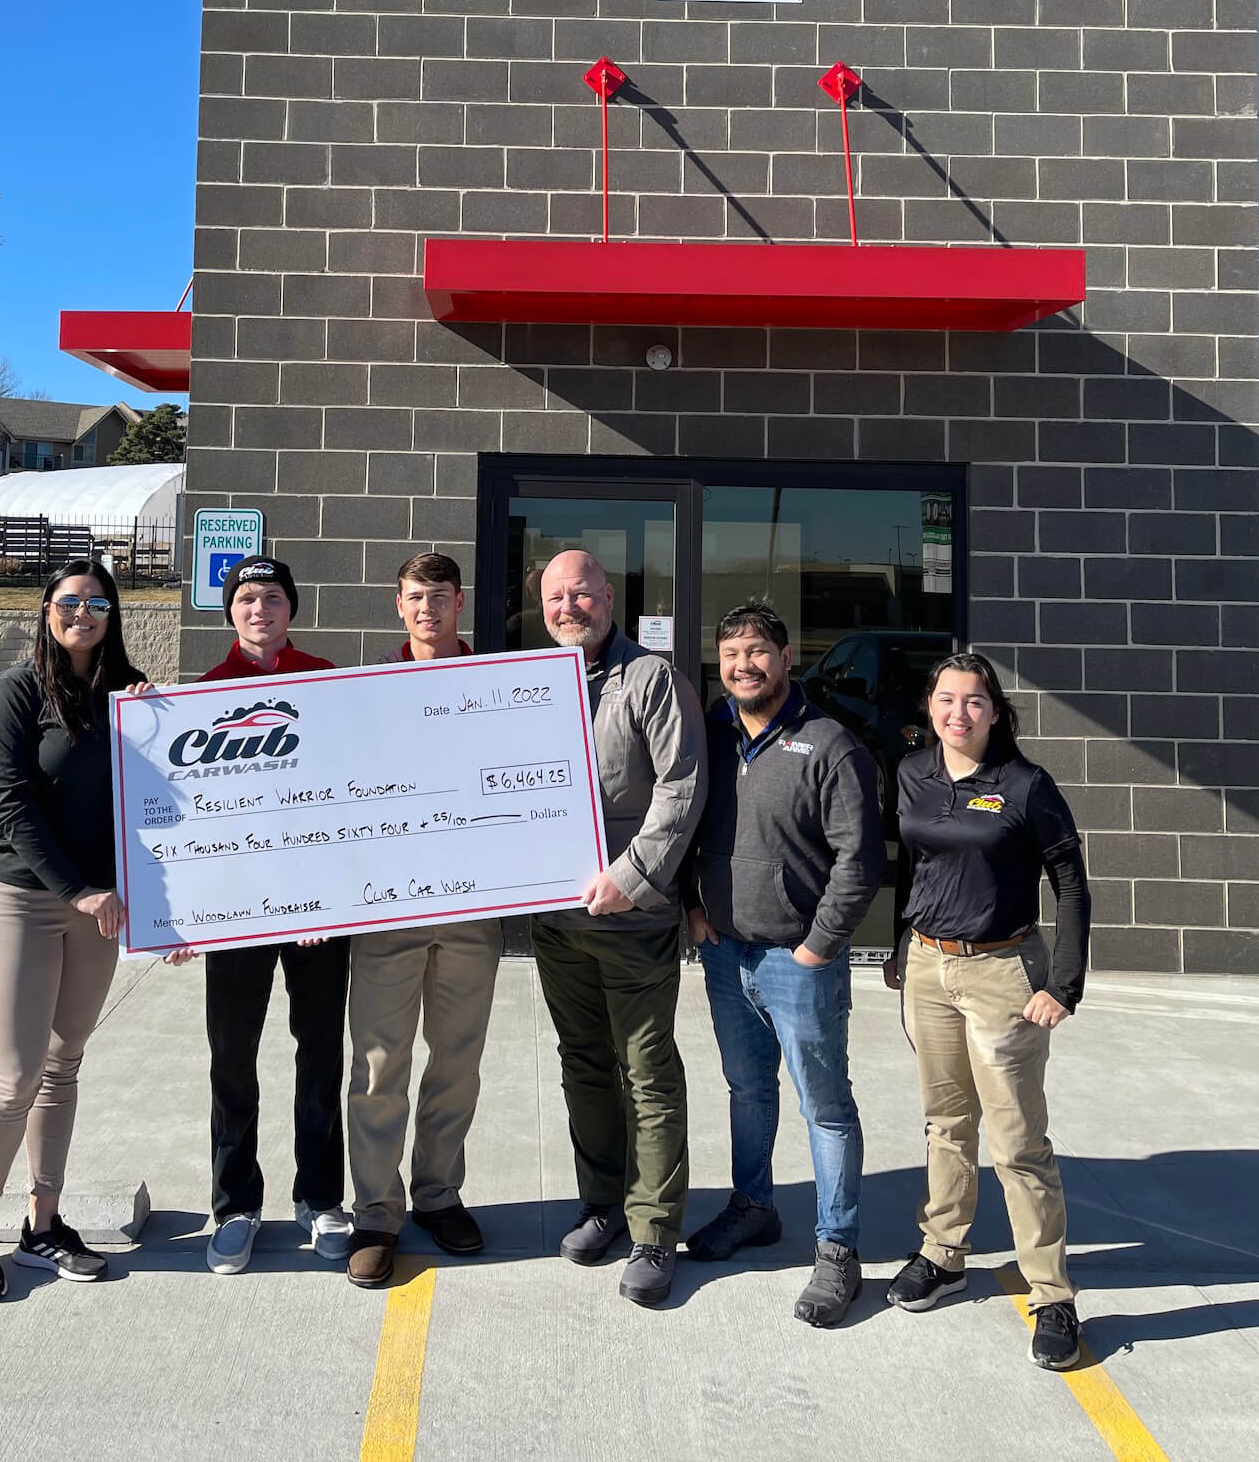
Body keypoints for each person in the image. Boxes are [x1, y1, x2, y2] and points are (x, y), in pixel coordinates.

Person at [882, 652, 1090, 1372]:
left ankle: (1052, 1294)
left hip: (1004, 972)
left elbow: (1071, 882)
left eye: (974, 701)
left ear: (995, 711)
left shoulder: (1026, 785)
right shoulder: (913, 773)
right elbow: (912, 865)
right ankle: (944, 1253)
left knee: (1017, 1141)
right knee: (945, 1122)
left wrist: (1063, 984)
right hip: (928, 967)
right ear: (929, 705)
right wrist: (899, 944)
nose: (958, 713)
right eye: (946, 699)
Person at [682, 601, 884, 1326]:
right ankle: (753, 1207)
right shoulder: (710, 733)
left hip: (799, 962)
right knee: (747, 1090)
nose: (745, 665)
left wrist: (818, 944)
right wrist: (693, 907)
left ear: (787, 657)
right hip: (724, 951)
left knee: (824, 1108)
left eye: (758, 651)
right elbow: (681, 821)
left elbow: (860, 860)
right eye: (732, 653)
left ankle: (838, 1247)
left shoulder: (831, 745)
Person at [0, 559, 147, 1302]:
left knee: (63, 1066)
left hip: (98, 907)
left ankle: (43, 1223)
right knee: (15, 1077)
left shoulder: (130, 694)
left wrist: (157, 723)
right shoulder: (13, 692)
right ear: (47, 610)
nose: (83, 614)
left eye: (98, 603)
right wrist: (79, 891)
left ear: (113, 615)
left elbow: (159, 798)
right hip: (24, 898)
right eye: (70, 602)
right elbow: (10, 805)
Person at [165, 555, 354, 1274]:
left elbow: (349, 792)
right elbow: (179, 815)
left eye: (272, 597)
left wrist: (329, 895)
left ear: (290, 608)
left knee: (321, 1054)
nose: (259, 609)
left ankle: (320, 1197)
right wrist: (177, 913)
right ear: (230, 612)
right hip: (236, 912)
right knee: (232, 1058)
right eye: (246, 598)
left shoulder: (326, 682)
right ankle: (235, 1205)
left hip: (315, 913)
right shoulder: (201, 697)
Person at [531, 549, 707, 1306]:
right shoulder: (528, 684)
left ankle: (654, 1229)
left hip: (632, 919)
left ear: (608, 597)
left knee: (647, 1072)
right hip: (556, 921)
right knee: (583, 1064)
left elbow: (682, 785)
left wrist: (632, 878)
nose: (568, 607)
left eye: (581, 593)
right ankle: (601, 1202)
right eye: (555, 596)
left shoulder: (651, 679)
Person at [343, 554, 504, 1289]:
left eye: (440, 596)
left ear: (460, 602)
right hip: (389, 907)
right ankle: (376, 1212)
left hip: (471, 907)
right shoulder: (365, 691)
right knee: (380, 1064)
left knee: (457, 1061)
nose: (427, 609)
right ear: (397, 605)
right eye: (415, 597)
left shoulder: (499, 688)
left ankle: (438, 1194)